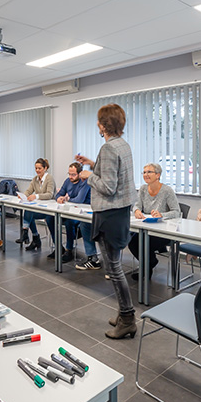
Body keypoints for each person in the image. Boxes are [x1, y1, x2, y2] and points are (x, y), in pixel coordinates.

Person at [76, 103, 137, 339]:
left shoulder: (109, 149)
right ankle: (124, 313)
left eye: (98, 122)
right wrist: (93, 163)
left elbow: (109, 187)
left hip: (109, 214)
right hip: (119, 213)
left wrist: (89, 175)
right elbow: (115, 174)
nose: (97, 125)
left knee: (113, 268)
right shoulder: (122, 145)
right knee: (115, 266)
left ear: (103, 125)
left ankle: (128, 317)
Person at [128, 162, 182, 280]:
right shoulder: (142, 189)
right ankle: (150, 263)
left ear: (158, 175)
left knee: (142, 243)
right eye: (144, 172)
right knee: (132, 242)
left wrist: (161, 215)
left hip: (164, 231)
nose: (146, 175)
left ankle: (146, 269)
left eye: (149, 172)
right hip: (147, 228)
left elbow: (176, 212)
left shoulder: (167, 191)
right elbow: (136, 205)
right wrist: (137, 211)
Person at [54, 162, 101, 270]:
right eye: (69, 174)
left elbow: (79, 200)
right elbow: (59, 193)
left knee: (69, 222)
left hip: (84, 213)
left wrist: (66, 199)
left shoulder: (85, 182)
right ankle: (58, 247)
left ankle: (69, 250)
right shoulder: (67, 181)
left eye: (73, 174)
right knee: (50, 218)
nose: (70, 177)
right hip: (70, 210)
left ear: (80, 174)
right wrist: (59, 198)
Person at [16, 158, 56, 251]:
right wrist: (23, 195)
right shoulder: (35, 179)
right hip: (39, 208)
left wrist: (36, 196)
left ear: (45, 168)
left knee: (28, 212)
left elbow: (49, 195)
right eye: (36, 168)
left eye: (39, 168)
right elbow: (29, 190)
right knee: (29, 212)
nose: (37, 170)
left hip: (49, 210)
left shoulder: (49, 178)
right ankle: (31, 236)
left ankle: (30, 236)